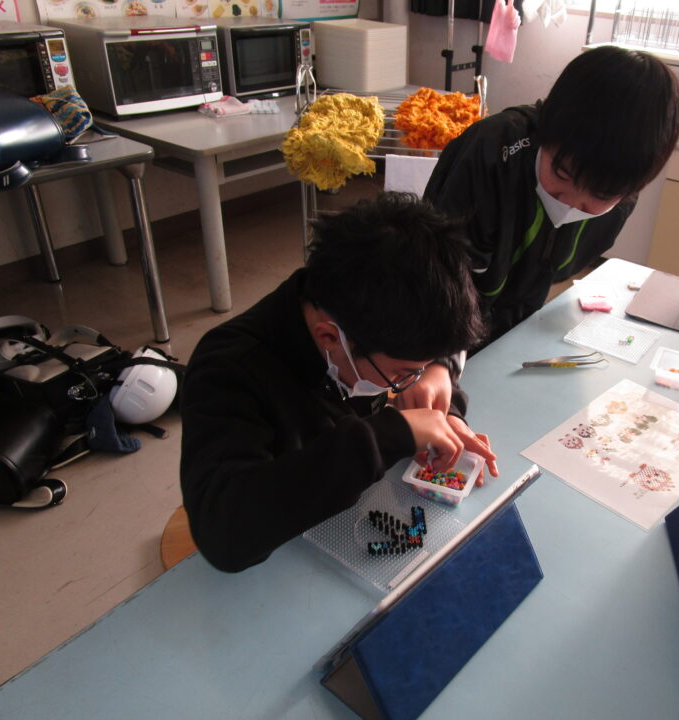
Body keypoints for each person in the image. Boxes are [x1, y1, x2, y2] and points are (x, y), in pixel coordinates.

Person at [179, 192, 497, 573]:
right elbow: (223, 535)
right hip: (282, 565)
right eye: (403, 374)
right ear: (331, 338)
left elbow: (411, 361)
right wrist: (390, 435)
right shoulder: (229, 369)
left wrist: (440, 386)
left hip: (343, 531)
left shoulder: (365, 319)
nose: (408, 381)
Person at [423, 45, 679, 346]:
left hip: (514, 314)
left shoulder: (622, 190)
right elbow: (438, 277)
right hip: (443, 313)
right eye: (562, 175)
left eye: (601, 194)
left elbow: (545, 273)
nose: (570, 201)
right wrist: (443, 355)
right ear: (545, 128)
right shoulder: (491, 154)